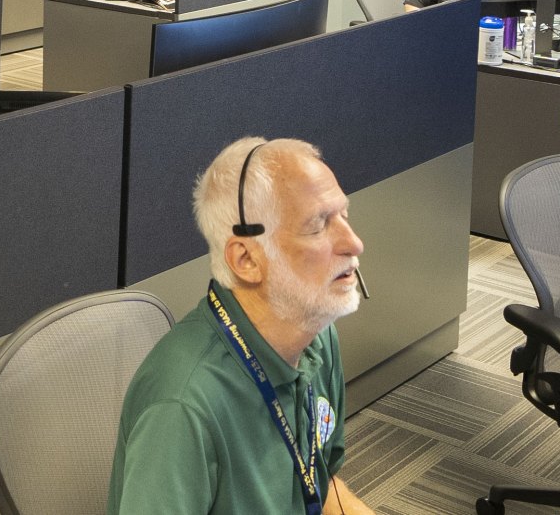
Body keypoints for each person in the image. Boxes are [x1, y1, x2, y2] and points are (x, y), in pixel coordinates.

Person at [109, 136, 373, 515]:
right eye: (318, 226)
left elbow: (320, 484)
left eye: (343, 216)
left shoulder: (316, 334)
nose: (354, 243)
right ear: (247, 259)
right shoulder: (183, 408)